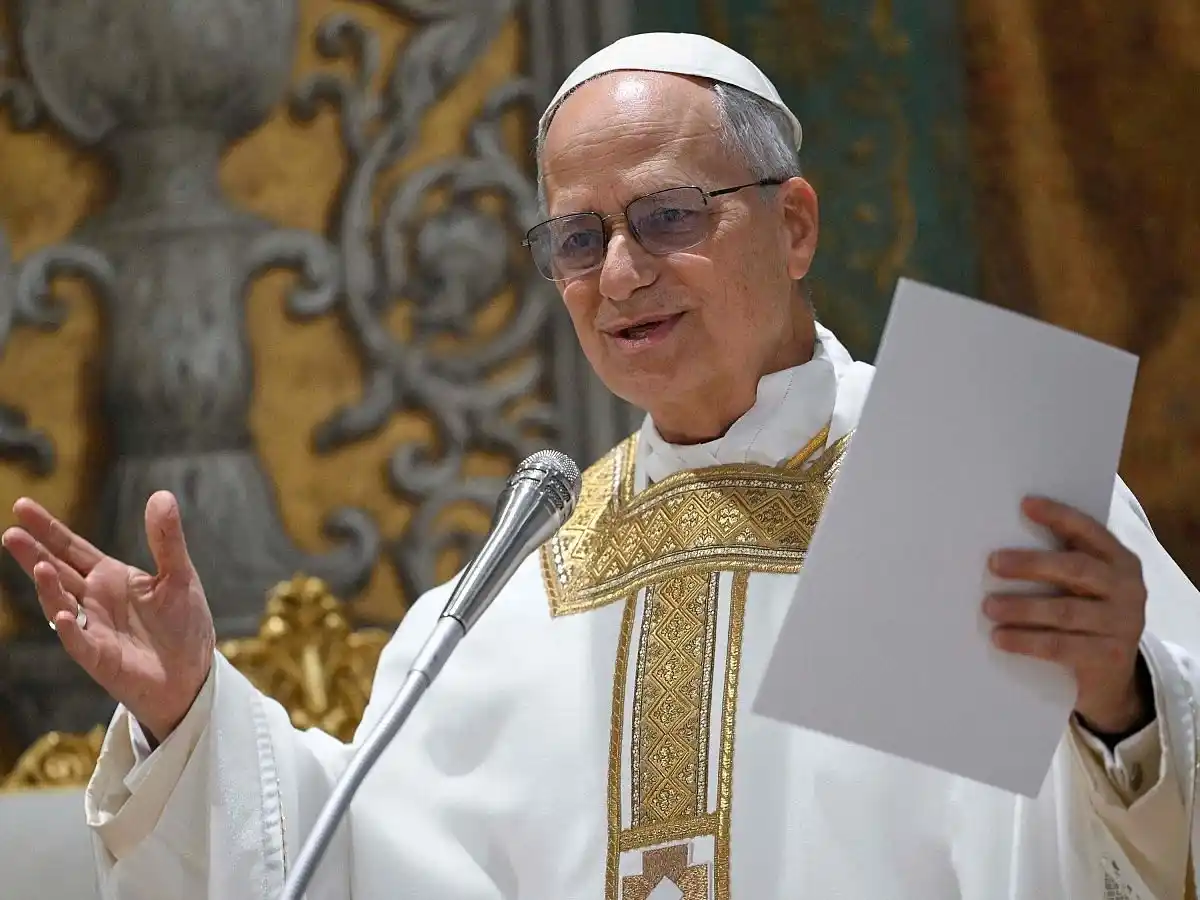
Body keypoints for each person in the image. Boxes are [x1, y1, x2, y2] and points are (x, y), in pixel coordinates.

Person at [4, 31, 1200, 900]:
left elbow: (1145, 793)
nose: (620, 272)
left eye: (668, 217)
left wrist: (1120, 702)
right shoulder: (513, 596)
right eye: (578, 239)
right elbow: (358, 864)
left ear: (793, 225)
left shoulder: (981, 478)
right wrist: (188, 719)